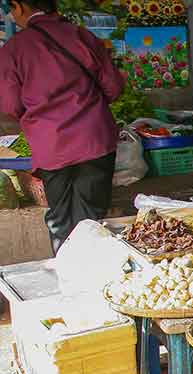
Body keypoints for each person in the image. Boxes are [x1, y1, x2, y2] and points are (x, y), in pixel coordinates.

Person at [0, 0, 123, 252]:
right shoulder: (81, 35)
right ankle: (98, 276)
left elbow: (11, 104)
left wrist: (41, 116)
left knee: (61, 219)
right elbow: (113, 86)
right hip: (94, 139)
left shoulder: (14, 49)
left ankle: (68, 273)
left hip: (52, 146)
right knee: (93, 216)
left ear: (19, 7)